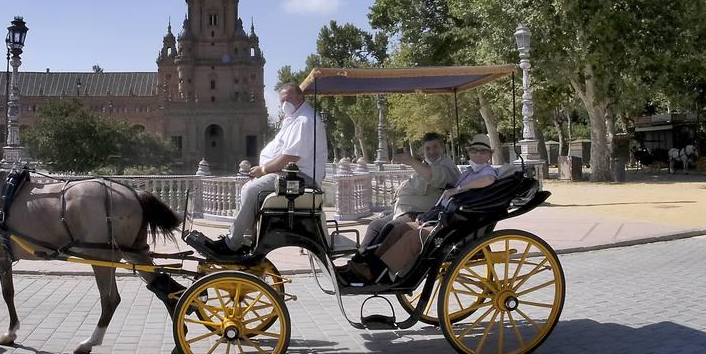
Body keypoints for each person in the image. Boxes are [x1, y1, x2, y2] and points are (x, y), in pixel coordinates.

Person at [184, 82, 328, 259]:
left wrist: (264, 169)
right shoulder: (294, 118)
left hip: (301, 178)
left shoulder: (304, 120)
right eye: (282, 100)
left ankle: (231, 244)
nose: (285, 104)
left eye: (289, 99)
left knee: (252, 189)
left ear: (301, 97)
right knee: (248, 188)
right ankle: (243, 239)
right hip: (291, 175)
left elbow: (289, 157)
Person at [338, 135, 503, 285]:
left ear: (489, 155)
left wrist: (458, 189)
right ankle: (367, 267)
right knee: (399, 228)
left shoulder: (485, 171)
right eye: (475, 151)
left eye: (483, 151)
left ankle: (375, 272)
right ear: (470, 153)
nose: (478, 155)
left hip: (454, 224)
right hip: (438, 216)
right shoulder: (468, 172)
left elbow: (488, 180)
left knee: (412, 237)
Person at [359, 133, 460, 249]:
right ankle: (359, 259)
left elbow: (433, 175)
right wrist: (405, 183)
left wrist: (411, 161)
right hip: (405, 209)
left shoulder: (446, 166)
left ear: (442, 148)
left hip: (422, 212)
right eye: (428, 148)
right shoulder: (427, 164)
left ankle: (373, 262)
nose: (432, 151)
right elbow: (421, 177)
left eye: (435, 147)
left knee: (391, 228)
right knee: (374, 225)